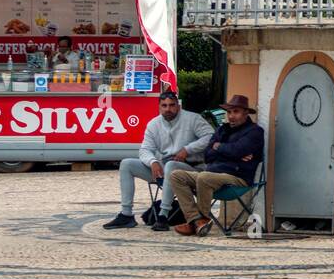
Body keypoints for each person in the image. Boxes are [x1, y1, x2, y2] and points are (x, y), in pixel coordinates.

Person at [103, 90, 214, 231]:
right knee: (127, 164)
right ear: (159, 107)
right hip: (164, 168)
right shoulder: (153, 124)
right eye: (164, 105)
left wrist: (188, 149)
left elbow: (210, 137)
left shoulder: (193, 119)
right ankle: (126, 215)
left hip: (192, 168)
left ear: (178, 106)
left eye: (172, 105)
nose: (168, 109)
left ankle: (163, 215)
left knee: (171, 165)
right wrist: (153, 162)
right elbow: (144, 149)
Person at [172, 94, 264, 236]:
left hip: (237, 178)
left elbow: (237, 150)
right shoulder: (222, 129)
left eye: (236, 112)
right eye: (229, 112)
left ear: (246, 113)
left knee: (204, 177)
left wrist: (219, 147)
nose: (231, 116)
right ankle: (195, 220)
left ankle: (203, 219)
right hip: (213, 174)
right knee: (176, 176)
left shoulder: (255, 132)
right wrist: (232, 153)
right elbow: (208, 156)